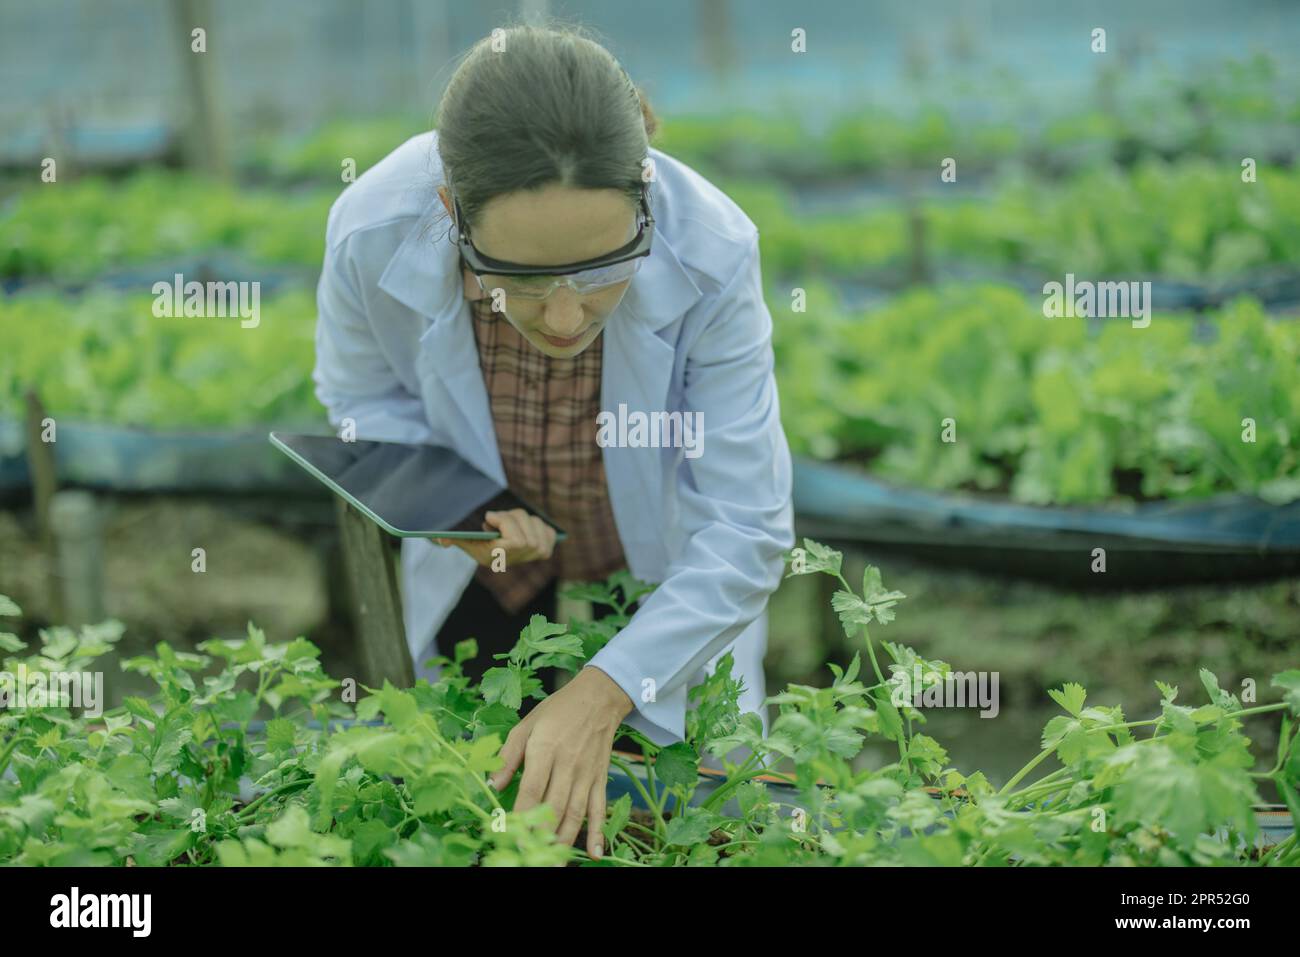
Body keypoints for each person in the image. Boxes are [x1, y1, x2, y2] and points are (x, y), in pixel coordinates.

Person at [312, 21, 794, 861]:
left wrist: (606, 689)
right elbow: (361, 398)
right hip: (495, 571)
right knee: (472, 800)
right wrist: (457, 510)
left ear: (644, 193)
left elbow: (745, 525)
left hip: (658, 562)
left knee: (691, 817)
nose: (566, 317)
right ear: (449, 214)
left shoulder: (714, 252)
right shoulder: (371, 230)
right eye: (522, 282)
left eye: (605, 268)